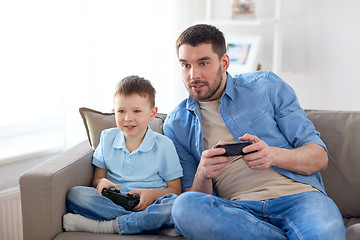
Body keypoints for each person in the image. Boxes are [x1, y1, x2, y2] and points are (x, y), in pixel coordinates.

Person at [163, 24, 346, 240]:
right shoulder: (175, 124)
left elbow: (319, 157)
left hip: (300, 199)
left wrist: (273, 155)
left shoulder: (265, 86)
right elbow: (197, 197)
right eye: (185, 65)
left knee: (324, 233)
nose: (193, 75)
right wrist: (203, 173)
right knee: (184, 207)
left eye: (203, 63)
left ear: (224, 62)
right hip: (239, 212)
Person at [63, 75, 183, 235]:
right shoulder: (107, 138)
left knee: (177, 204)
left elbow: (175, 189)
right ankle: (148, 223)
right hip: (114, 202)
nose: (128, 118)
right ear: (114, 112)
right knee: (77, 195)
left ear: (152, 113)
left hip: (152, 203)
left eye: (137, 111)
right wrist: (102, 183)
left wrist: (152, 194)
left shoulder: (164, 145)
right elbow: (97, 179)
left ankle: (107, 226)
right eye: (121, 111)